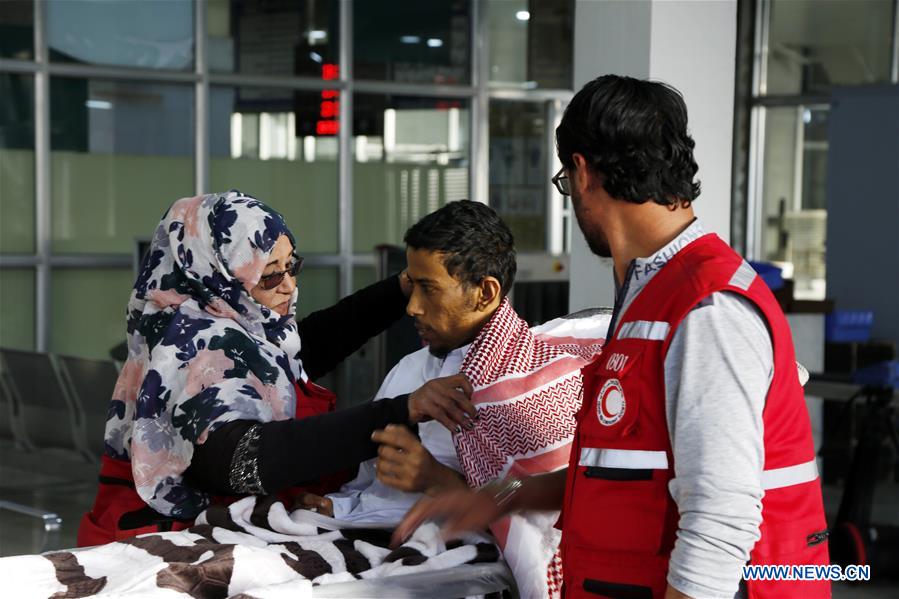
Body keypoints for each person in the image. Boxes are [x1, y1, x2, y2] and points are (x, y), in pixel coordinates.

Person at [394, 76, 830, 599]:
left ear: (581, 173)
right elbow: (605, 474)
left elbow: (719, 519)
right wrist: (498, 495)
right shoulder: (649, 293)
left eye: (564, 181)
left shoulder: (706, 308)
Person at [78, 190, 475, 546]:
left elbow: (307, 348)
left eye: (292, 265)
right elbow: (243, 460)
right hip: (164, 540)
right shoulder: (193, 346)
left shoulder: (238, 324)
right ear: (219, 275)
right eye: (269, 275)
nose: (288, 285)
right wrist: (400, 411)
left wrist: (405, 286)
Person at [297, 200, 606, 598]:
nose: (412, 307)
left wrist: (435, 480)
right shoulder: (409, 370)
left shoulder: (541, 390)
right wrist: (338, 508)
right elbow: (369, 486)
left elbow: (545, 514)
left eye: (428, 288)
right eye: (412, 286)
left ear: (485, 292)